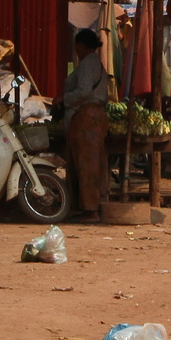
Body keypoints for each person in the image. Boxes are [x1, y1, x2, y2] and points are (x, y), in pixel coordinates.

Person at [61, 28, 110, 221]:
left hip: (87, 118)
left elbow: (83, 91)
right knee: (83, 162)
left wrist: (64, 99)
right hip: (89, 118)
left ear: (80, 45)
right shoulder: (90, 63)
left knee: (87, 164)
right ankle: (84, 206)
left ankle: (92, 210)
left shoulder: (89, 63)